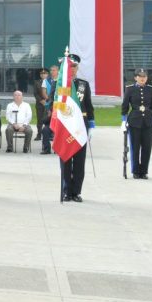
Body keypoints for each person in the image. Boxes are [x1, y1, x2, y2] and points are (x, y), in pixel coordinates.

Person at [62, 54, 95, 203]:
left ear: (77, 68)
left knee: (80, 162)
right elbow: (56, 107)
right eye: (70, 66)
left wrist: (92, 124)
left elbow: (88, 104)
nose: (72, 69)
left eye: (74, 66)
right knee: (66, 160)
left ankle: (76, 192)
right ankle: (66, 191)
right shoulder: (61, 84)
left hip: (81, 126)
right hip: (66, 126)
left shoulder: (83, 84)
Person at [120, 68, 152, 178]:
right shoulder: (130, 89)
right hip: (134, 121)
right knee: (135, 147)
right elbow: (125, 106)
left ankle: (144, 171)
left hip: (148, 122)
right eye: (140, 76)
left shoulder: (151, 89)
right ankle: (135, 171)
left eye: (144, 76)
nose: (142, 78)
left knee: (147, 147)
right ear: (135, 77)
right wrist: (123, 121)